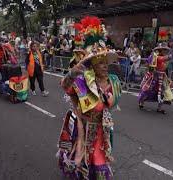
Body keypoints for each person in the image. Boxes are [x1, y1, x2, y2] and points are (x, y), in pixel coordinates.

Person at [57, 16, 121, 179]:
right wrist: (74, 71)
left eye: (106, 62)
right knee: (80, 161)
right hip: (83, 128)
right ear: (92, 65)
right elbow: (65, 86)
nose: (105, 66)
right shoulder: (82, 81)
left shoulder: (113, 82)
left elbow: (111, 105)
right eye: (101, 63)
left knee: (99, 163)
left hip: (101, 129)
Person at [138, 43, 173, 114]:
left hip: (162, 76)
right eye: (163, 49)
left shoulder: (163, 58)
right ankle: (141, 102)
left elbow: (165, 66)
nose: (164, 51)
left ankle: (159, 108)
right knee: (147, 90)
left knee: (163, 92)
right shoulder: (155, 57)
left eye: (165, 50)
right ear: (160, 50)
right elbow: (150, 64)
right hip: (153, 76)